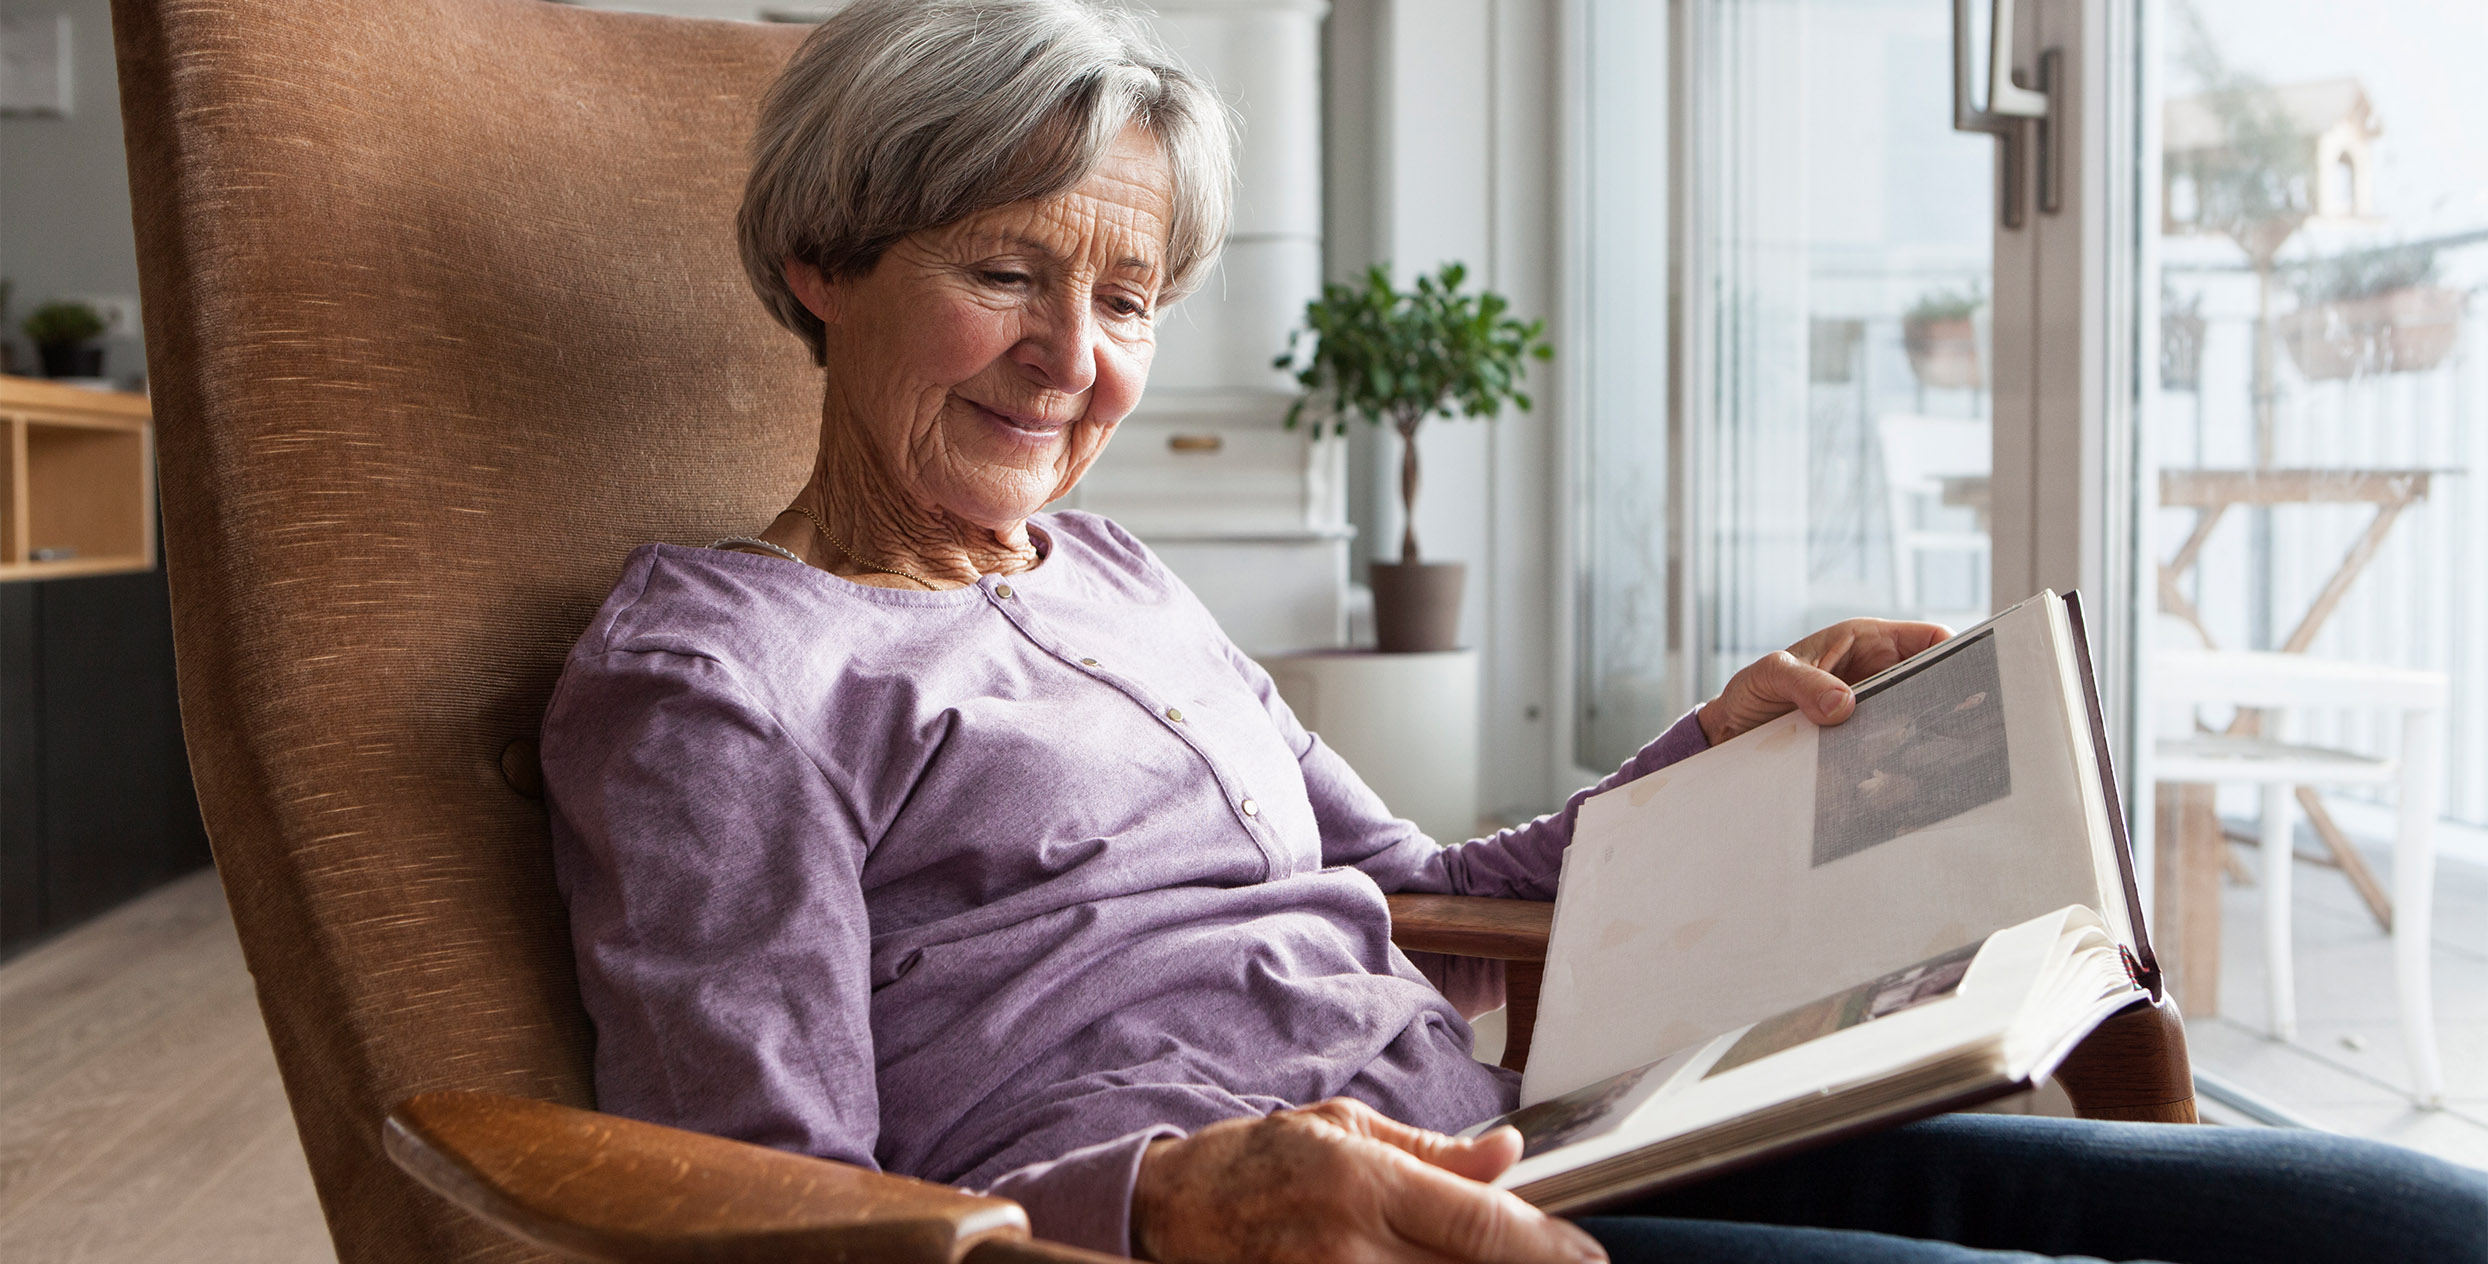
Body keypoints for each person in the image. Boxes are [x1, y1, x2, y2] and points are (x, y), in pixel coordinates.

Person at [538, 3, 2488, 1261]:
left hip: (1526, 1140)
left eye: (1126, 296)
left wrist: (1703, 748)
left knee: (2394, 1213)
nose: (1073, 358)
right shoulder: (713, 672)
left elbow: (1406, 883)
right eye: (1001, 273)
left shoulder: (1115, 573)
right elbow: (763, 1202)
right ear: (822, 259)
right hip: (1284, 1240)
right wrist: (1163, 1195)